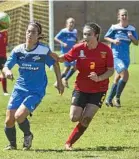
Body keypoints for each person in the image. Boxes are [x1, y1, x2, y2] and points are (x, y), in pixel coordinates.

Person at [2, 22, 64, 150]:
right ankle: (12, 145)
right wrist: (7, 71)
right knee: (9, 120)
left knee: (19, 116)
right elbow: (6, 66)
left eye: (33, 32)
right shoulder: (18, 50)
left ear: (38, 35)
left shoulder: (43, 50)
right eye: (28, 31)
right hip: (19, 89)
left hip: (36, 90)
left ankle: (28, 135)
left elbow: (55, 64)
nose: (30, 34)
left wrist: (59, 81)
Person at [52, 22, 114, 150]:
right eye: (84, 34)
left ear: (96, 35)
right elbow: (65, 58)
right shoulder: (78, 48)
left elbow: (111, 70)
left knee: (86, 119)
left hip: (99, 89)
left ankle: (69, 143)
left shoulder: (106, 50)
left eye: (89, 34)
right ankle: (81, 114)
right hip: (81, 87)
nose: (86, 36)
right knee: (74, 117)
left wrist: (99, 78)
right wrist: (55, 57)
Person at [104, 8, 139, 107]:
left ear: (128, 17)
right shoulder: (114, 27)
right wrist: (114, 41)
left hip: (126, 58)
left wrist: (131, 37)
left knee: (117, 78)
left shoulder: (132, 29)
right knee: (125, 75)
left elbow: (136, 43)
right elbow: (106, 37)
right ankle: (117, 98)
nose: (124, 16)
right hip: (115, 56)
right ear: (118, 17)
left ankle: (109, 100)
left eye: (125, 15)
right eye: (122, 15)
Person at [54, 17, 78, 88]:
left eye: (73, 22)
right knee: (71, 67)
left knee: (71, 67)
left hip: (73, 52)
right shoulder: (63, 31)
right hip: (65, 53)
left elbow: (75, 39)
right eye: (70, 22)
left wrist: (77, 43)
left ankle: (59, 81)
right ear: (67, 24)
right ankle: (64, 80)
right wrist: (63, 43)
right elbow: (56, 38)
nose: (71, 24)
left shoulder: (75, 31)